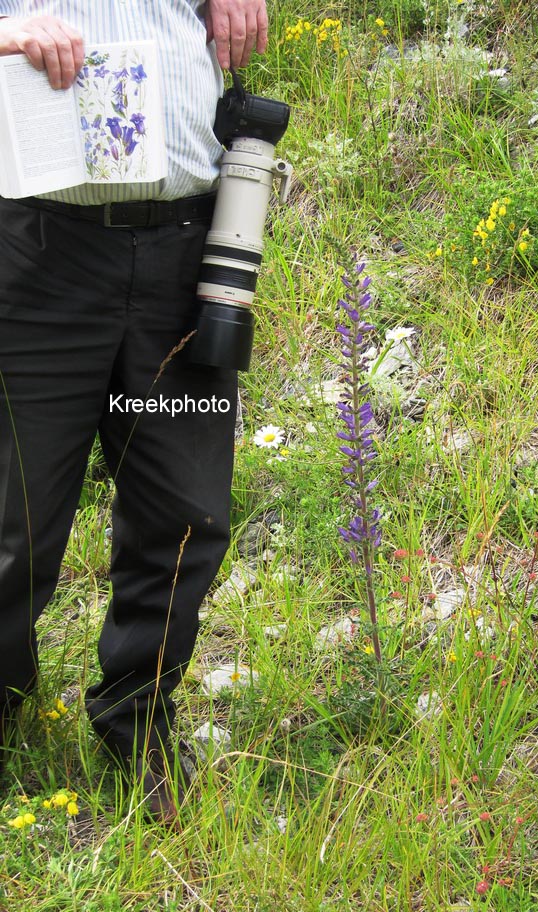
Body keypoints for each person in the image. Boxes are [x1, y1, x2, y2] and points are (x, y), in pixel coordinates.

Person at [0, 0, 267, 820]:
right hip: (42, 252)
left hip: (186, 255)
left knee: (182, 513)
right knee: (16, 525)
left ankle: (136, 723)